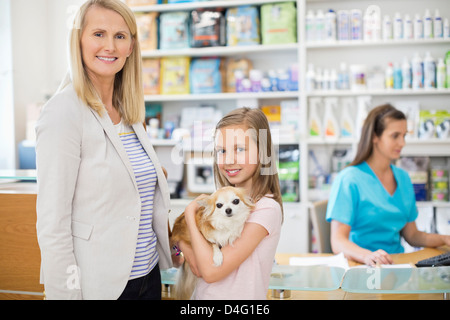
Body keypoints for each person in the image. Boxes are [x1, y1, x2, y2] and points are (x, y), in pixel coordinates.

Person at [35, 0, 172, 300]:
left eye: (120, 36)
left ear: (131, 47)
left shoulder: (128, 108)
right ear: (79, 39)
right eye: (98, 34)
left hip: (148, 278)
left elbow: (131, 193)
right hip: (101, 288)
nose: (109, 46)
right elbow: (52, 224)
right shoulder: (63, 111)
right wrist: (68, 296)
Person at [176, 107, 283, 299]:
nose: (229, 160)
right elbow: (176, 250)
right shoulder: (221, 203)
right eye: (222, 151)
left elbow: (210, 272)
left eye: (240, 149)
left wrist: (190, 215)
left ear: (263, 151)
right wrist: (183, 246)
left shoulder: (266, 209)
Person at [326, 104, 450, 266]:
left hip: (396, 265)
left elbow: (412, 235)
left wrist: (444, 239)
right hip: (360, 266)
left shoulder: (403, 178)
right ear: (374, 137)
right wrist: (367, 256)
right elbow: (338, 241)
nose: (402, 143)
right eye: (395, 136)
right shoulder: (349, 179)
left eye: (404, 136)